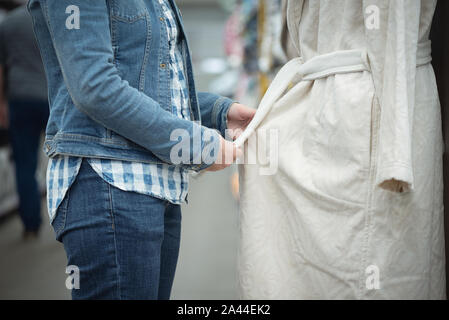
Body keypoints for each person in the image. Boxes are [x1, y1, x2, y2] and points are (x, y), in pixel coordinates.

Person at [28, 0, 255, 300]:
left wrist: (219, 112)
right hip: (110, 184)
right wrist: (195, 145)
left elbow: (155, 89)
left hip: (160, 188)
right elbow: (95, 86)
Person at [237, 0, 446, 299]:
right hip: (320, 102)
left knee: (379, 266)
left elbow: (396, 20)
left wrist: (396, 156)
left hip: (376, 105)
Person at [0, 5, 48, 239]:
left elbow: (1, 68)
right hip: (51, 97)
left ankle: (30, 225)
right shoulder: (50, 15)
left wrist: (1, 103)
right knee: (68, 158)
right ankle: (70, 222)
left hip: (20, 98)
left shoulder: (7, 24)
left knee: (24, 164)